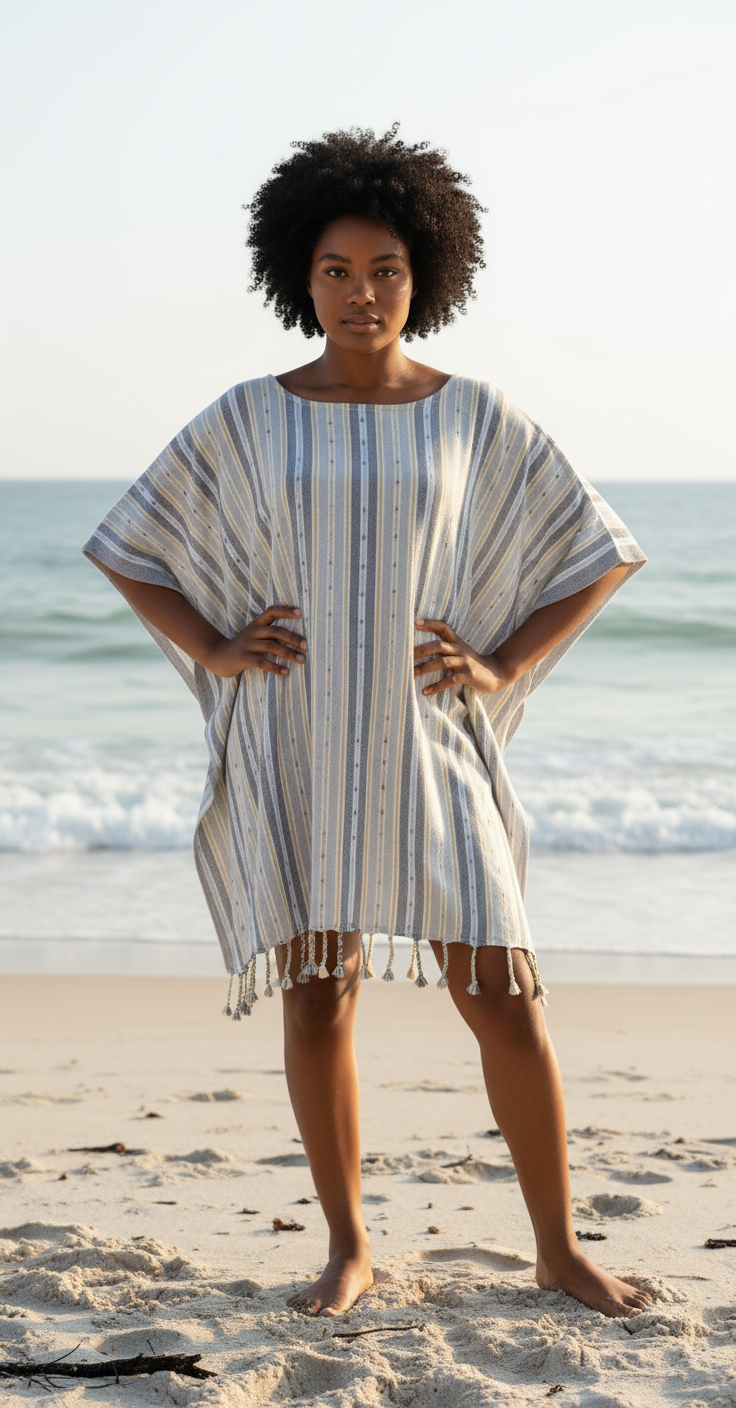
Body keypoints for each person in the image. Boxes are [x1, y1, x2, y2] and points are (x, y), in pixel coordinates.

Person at [83, 126, 650, 1322]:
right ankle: (347, 1246)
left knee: (500, 985)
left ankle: (557, 1245)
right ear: (301, 274)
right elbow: (134, 543)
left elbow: (591, 551)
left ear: (424, 272)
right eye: (336, 269)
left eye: (385, 267)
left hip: (430, 738)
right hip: (296, 736)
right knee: (319, 992)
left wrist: (497, 664)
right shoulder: (247, 416)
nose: (360, 292)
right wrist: (216, 646)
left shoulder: (472, 414)